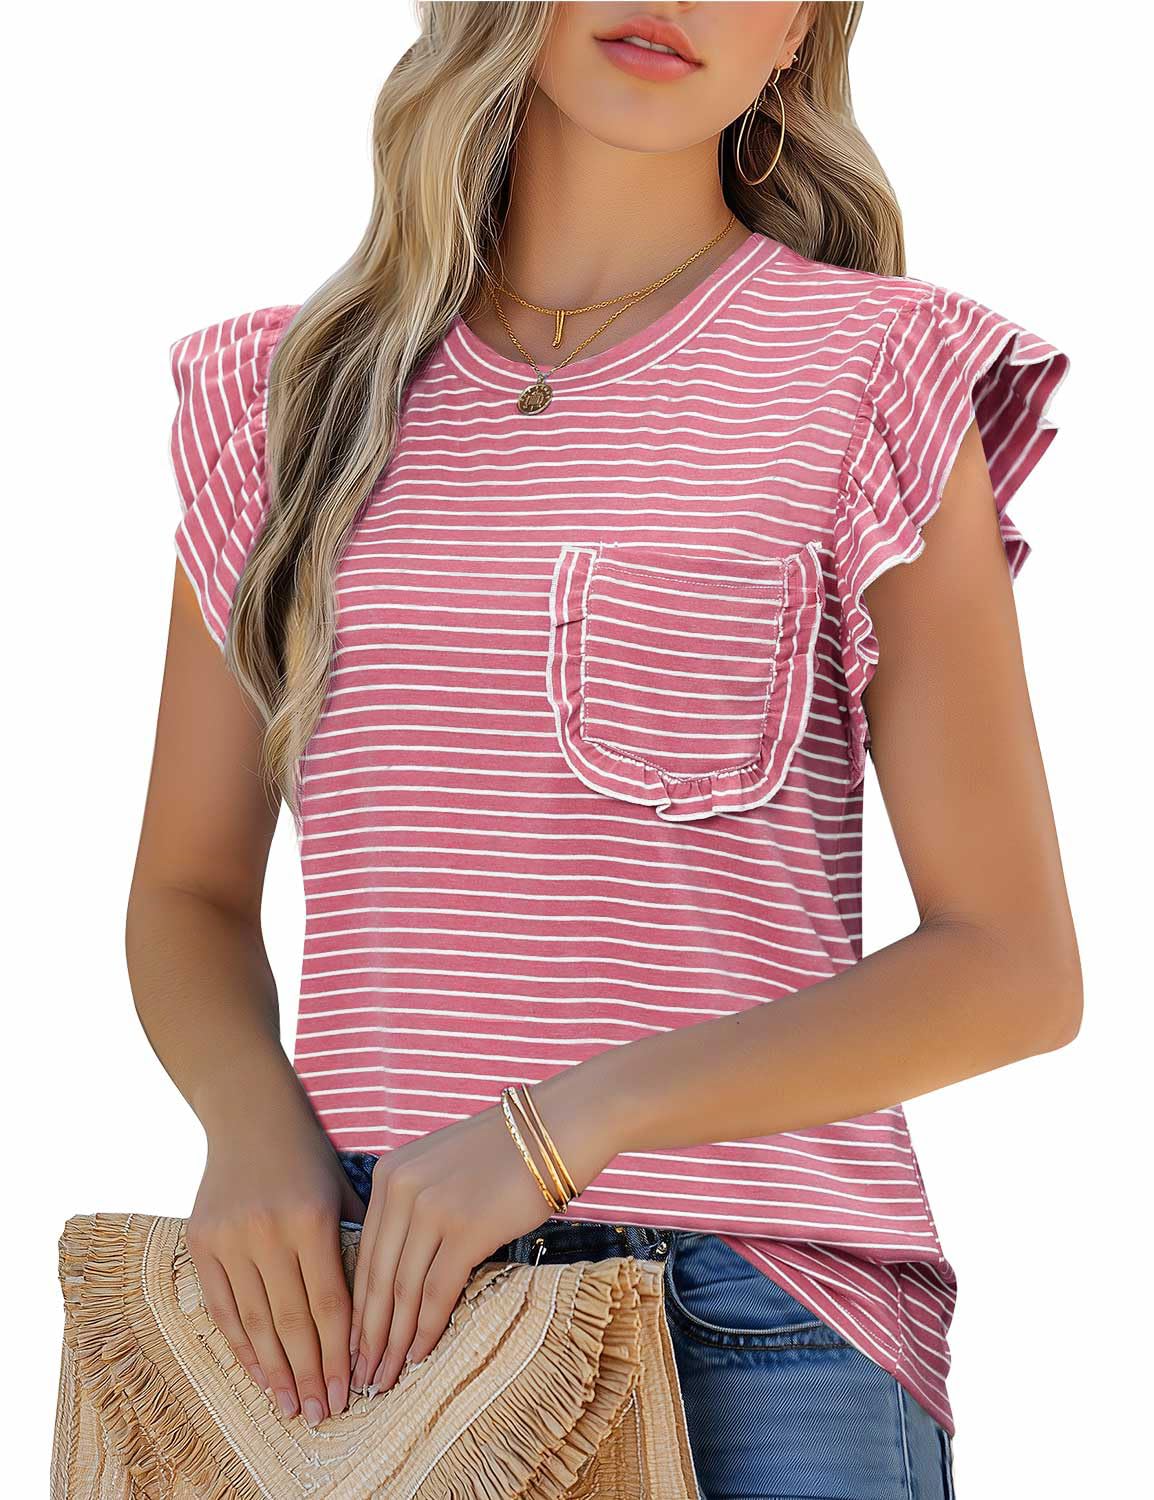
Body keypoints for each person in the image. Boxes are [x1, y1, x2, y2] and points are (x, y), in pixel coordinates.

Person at [126, 4, 1081, 1495]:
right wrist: (251, 1130)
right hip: (369, 1321)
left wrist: (566, 1127)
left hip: (756, 1329)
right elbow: (187, 891)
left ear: (799, 34)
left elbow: (1014, 969)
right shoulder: (288, 399)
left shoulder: (871, 374)